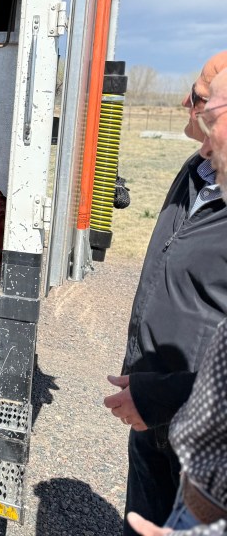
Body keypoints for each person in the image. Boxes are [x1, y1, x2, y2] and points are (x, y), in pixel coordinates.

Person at [104, 51, 227, 533]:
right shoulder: (196, 174)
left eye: (200, 100)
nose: (186, 104)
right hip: (152, 409)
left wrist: (165, 396)